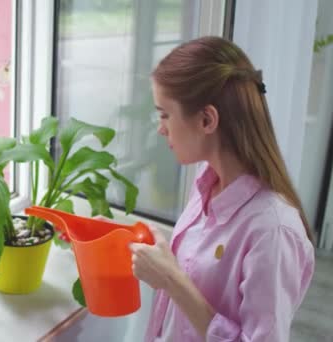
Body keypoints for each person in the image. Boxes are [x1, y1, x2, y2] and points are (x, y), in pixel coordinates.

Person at [130, 36, 315, 341]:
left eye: (165, 114)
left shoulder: (273, 231)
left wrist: (173, 281)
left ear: (206, 119)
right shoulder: (207, 182)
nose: (160, 128)